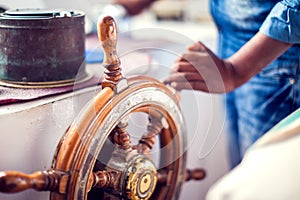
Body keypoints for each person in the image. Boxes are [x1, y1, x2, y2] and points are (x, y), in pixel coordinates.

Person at [115, 0, 300, 168]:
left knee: (260, 177)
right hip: (233, 41)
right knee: (240, 169)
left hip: (280, 61)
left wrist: (238, 69)